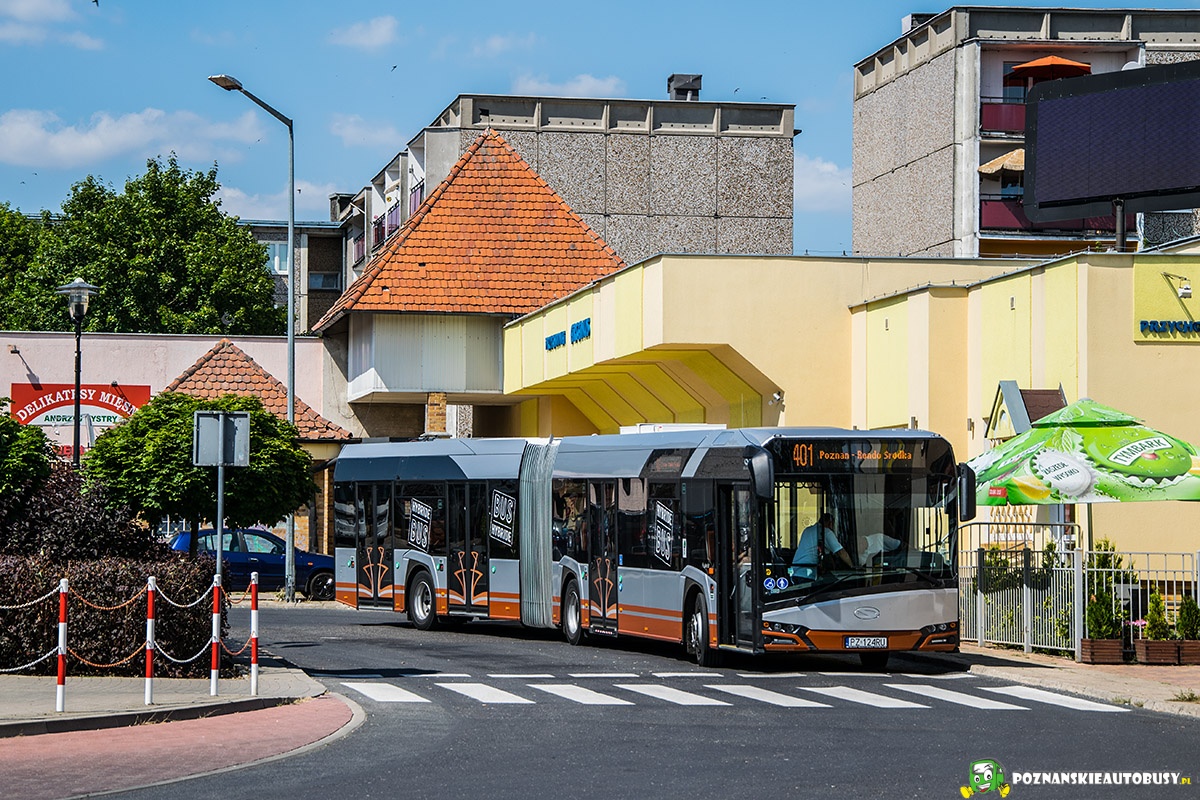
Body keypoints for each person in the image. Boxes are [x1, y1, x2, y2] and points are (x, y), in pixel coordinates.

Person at [791, 512, 854, 580]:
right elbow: (841, 552)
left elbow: (827, 556)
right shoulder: (826, 532)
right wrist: (852, 567)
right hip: (807, 573)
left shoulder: (807, 530)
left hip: (795, 571)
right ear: (830, 523)